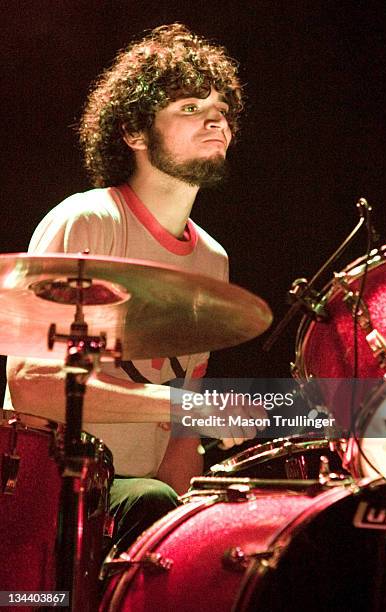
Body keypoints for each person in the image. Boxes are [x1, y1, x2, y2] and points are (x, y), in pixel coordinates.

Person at [5, 24, 264, 555]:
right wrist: (177, 408)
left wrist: (185, 531)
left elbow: (182, 437)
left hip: (140, 499)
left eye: (221, 108)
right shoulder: (89, 220)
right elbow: (32, 385)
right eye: (190, 107)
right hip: (47, 487)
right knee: (148, 500)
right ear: (134, 131)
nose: (216, 118)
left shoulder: (211, 261)